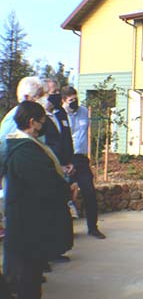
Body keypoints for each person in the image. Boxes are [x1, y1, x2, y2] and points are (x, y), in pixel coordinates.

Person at [3, 101, 73, 299]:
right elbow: (45, 182)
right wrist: (66, 191)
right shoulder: (24, 150)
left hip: (28, 221)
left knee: (29, 273)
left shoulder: (25, 146)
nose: (43, 128)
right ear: (32, 122)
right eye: (42, 123)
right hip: (26, 223)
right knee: (28, 277)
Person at [61, 86, 106, 239]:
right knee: (65, 195)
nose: (74, 102)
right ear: (64, 101)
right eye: (71, 100)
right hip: (66, 159)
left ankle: (93, 227)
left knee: (89, 193)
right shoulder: (59, 116)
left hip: (81, 158)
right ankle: (66, 231)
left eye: (76, 99)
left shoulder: (84, 111)